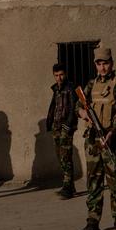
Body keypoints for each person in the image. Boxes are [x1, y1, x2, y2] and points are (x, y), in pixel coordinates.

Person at [77, 46, 116, 230]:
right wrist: (83, 112)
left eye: (106, 63)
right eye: (99, 64)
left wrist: (112, 131)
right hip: (93, 143)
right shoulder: (90, 85)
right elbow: (78, 105)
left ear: (112, 63)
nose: (102, 67)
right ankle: (92, 222)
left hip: (112, 142)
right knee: (93, 183)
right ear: (95, 65)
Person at [45, 63, 78, 199]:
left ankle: (67, 188)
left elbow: (73, 108)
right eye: (56, 75)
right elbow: (54, 107)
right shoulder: (56, 89)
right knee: (60, 156)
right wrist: (50, 122)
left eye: (61, 75)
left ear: (65, 74)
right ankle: (70, 186)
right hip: (56, 127)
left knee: (66, 156)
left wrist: (68, 125)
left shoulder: (70, 88)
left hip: (65, 127)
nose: (59, 78)